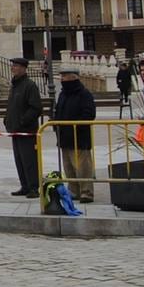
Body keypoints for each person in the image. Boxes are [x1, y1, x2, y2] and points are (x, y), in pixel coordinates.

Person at [52, 67, 96, 203]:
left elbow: (89, 114)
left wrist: (75, 127)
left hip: (79, 137)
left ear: (73, 77)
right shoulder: (63, 94)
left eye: (64, 76)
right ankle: (73, 190)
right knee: (68, 166)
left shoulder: (84, 94)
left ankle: (86, 192)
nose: (62, 79)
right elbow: (58, 110)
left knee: (83, 166)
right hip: (64, 137)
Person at [5, 57, 43, 198]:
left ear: (23, 68)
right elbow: (12, 106)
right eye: (13, 65)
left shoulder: (29, 85)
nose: (13, 68)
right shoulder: (15, 86)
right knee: (19, 159)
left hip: (26, 130)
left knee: (29, 160)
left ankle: (34, 187)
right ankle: (25, 185)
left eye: (15, 66)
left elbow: (36, 108)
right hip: (15, 130)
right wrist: (7, 120)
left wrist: (22, 121)